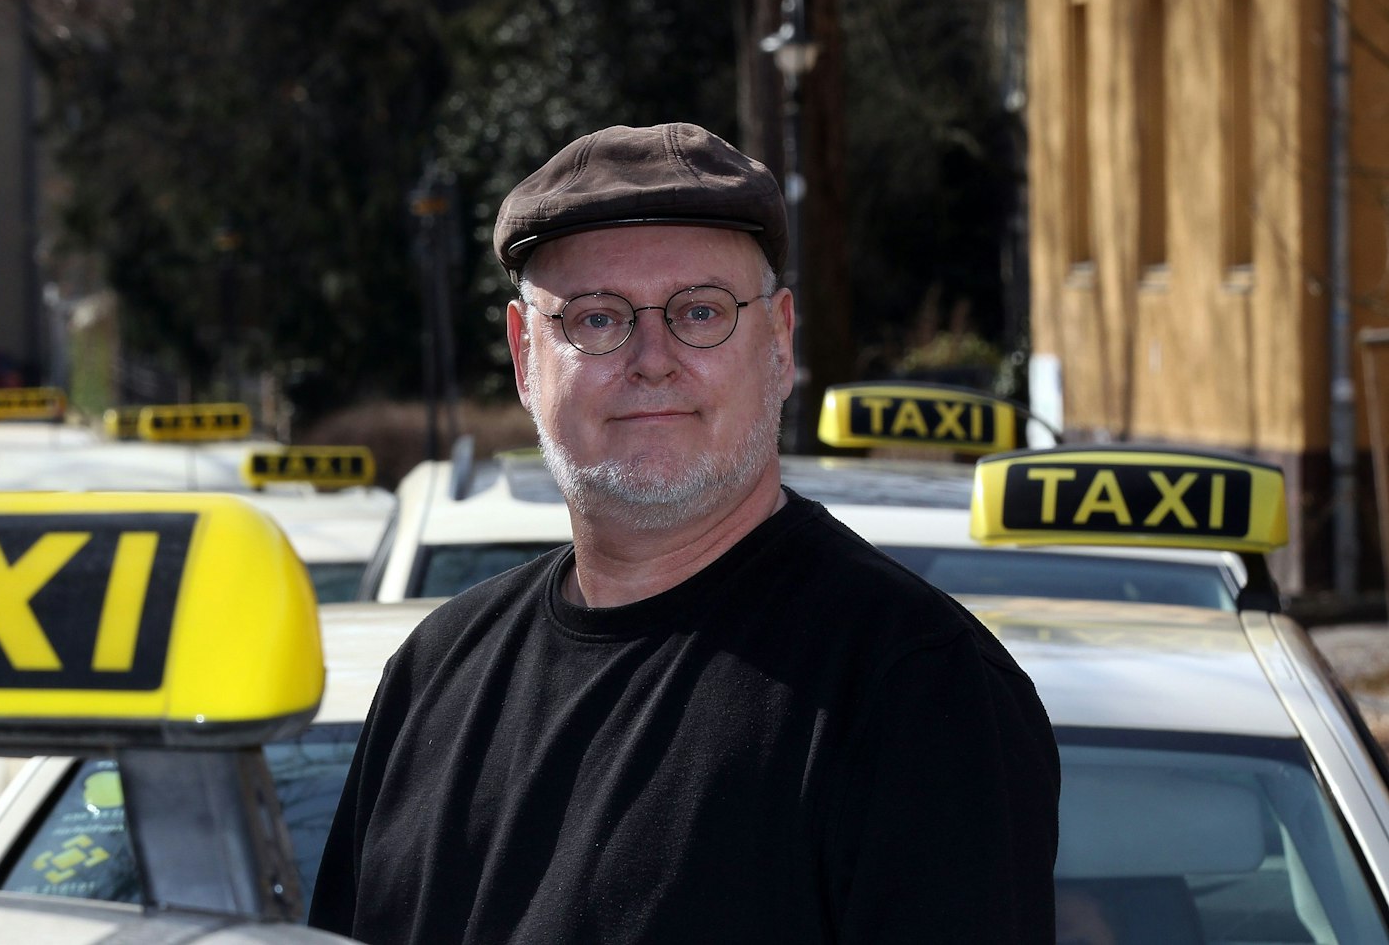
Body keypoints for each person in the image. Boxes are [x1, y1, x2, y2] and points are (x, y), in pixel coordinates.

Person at [309, 122, 1059, 943]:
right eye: (597, 320)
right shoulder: (435, 676)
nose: (652, 358)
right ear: (525, 356)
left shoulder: (912, 688)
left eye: (701, 311)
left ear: (778, 342)